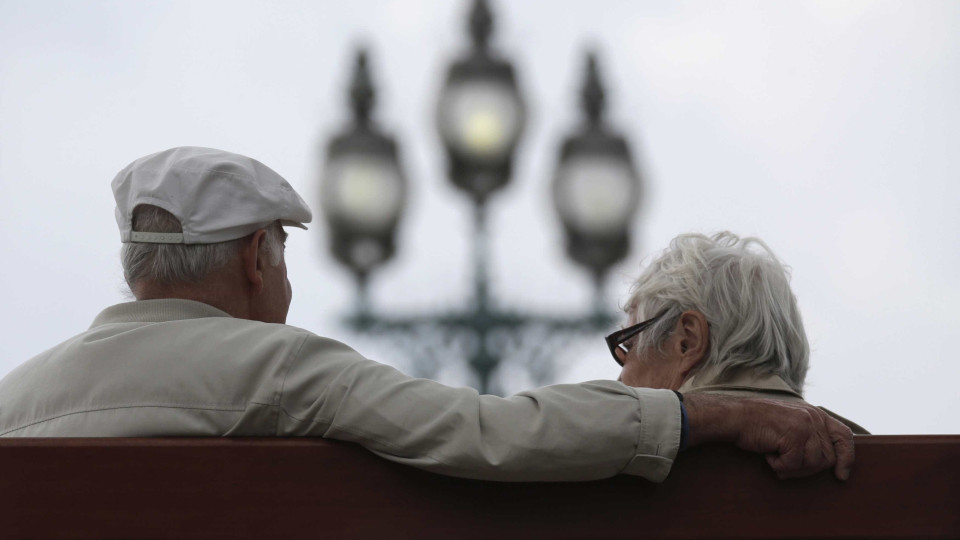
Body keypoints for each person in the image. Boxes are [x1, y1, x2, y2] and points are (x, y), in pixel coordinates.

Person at [0, 147, 854, 483]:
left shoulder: (17, 401)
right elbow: (494, 435)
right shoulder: (282, 369)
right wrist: (710, 411)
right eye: (284, 253)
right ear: (258, 256)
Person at [610, 232, 868, 434]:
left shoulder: (634, 466)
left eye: (629, 346)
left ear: (687, 341)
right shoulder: (870, 457)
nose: (620, 379)